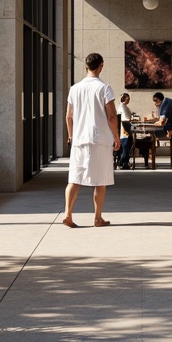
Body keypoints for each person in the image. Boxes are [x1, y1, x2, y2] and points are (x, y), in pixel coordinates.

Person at [63, 52, 121, 227]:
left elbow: (69, 116)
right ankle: (97, 218)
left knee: (74, 178)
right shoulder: (104, 88)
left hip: (79, 140)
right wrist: (116, 137)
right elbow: (111, 116)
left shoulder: (75, 88)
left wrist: (71, 135)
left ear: (86, 66)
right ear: (101, 66)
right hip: (99, 139)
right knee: (100, 180)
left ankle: (68, 215)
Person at [116, 92, 135, 169]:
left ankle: (124, 162)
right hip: (124, 129)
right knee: (125, 146)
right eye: (128, 98)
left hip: (127, 128)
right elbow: (124, 119)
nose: (129, 100)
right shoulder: (122, 107)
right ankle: (123, 162)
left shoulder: (124, 107)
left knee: (128, 145)